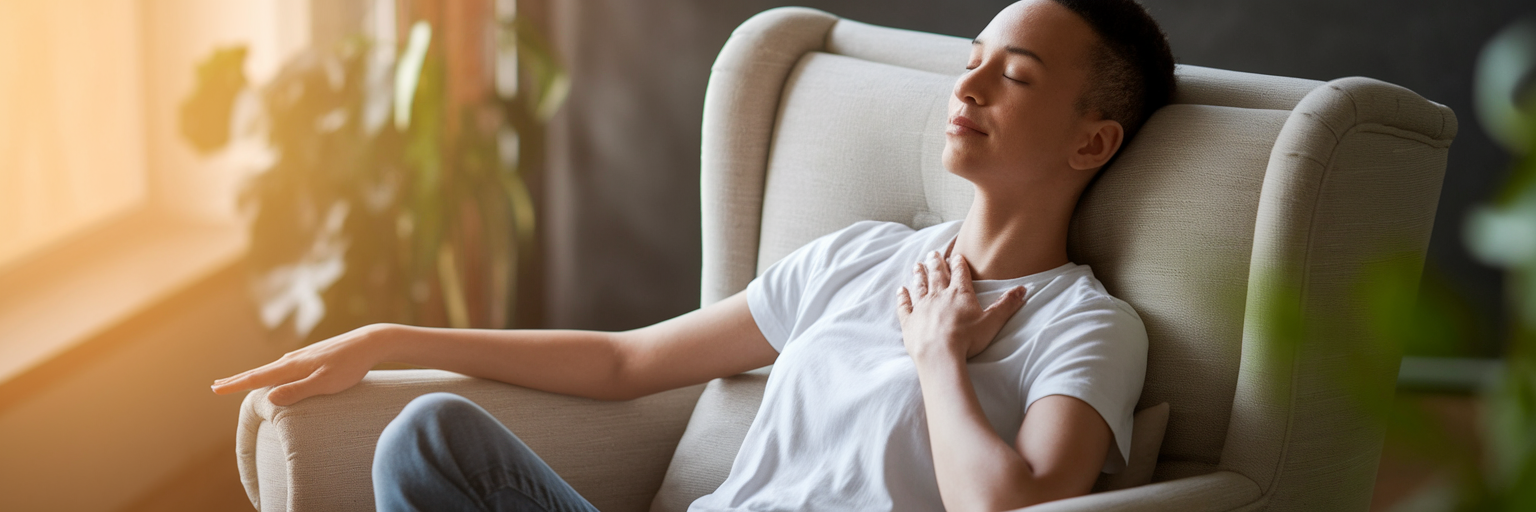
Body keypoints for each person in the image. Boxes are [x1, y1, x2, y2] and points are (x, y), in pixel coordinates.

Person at [212, 0, 1176, 510]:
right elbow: (627, 362)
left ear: (1091, 143)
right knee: (430, 438)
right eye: (970, 59)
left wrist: (936, 357)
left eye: (1013, 76)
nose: (967, 86)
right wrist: (390, 337)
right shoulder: (859, 257)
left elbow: (1014, 511)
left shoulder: (1086, 326)